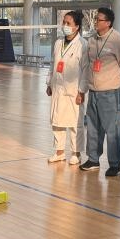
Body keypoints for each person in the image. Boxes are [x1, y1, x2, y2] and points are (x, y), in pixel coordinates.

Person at [80, 6, 120, 177]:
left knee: (113, 130)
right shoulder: (92, 40)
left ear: (108, 23)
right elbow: (88, 64)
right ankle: (93, 159)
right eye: (96, 19)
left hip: (110, 93)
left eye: (99, 19)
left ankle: (115, 164)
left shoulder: (118, 41)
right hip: (93, 92)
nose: (96, 22)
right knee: (93, 128)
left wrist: (115, 83)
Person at [46, 10, 88, 165]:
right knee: (57, 121)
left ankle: (76, 153)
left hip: (73, 90)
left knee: (75, 123)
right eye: (64, 22)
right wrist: (49, 83)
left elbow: (86, 70)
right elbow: (53, 64)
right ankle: (59, 152)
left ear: (76, 27)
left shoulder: (82, 45)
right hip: (57, 87)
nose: (65, 25)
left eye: (68, 23)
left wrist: (81, 91)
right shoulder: (58, 42)